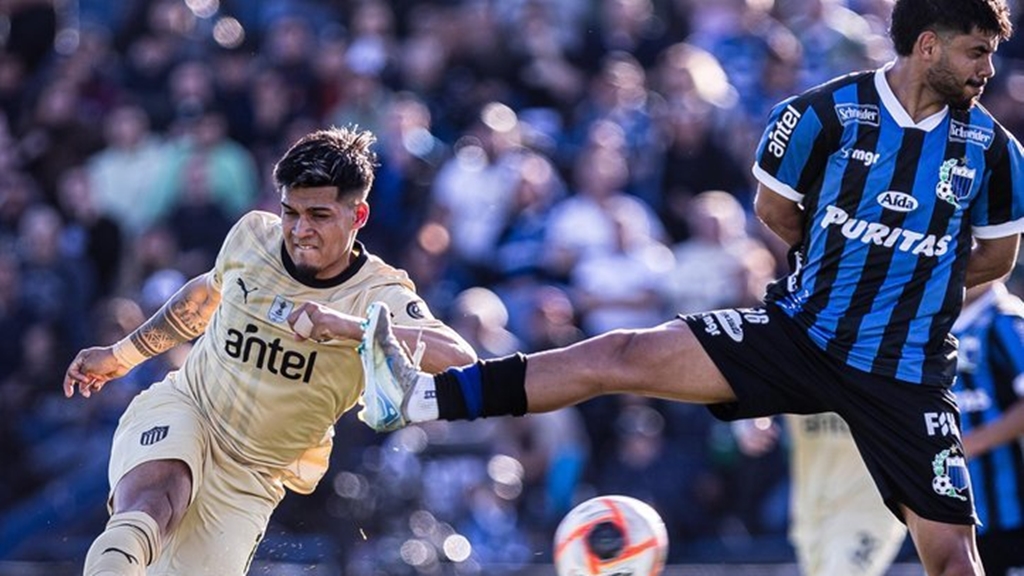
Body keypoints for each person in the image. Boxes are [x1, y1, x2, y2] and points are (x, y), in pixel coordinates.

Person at [356, 0, 1024, 573]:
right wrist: (841, 264)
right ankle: (419, 398)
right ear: (929, 44)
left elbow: (996, 257)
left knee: (953, 560)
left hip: (901, 374)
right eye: (977, 52)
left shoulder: (995, 151)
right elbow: (774, 212)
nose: (987, 70)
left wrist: (909, 283)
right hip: (799, 334)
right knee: (618, 354)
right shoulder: (822, 116)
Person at [62, 126, 476, 576]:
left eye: (319, 215)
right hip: (189, 407)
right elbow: (203, 297)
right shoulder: (252, 238)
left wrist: (350, 328)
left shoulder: (380, 293)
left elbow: (460, 358)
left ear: (358, 216)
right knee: (154, 499)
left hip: (252, 477)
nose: (300, 230)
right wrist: (121, 356)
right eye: (291, 212)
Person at [733, 414, 908, 575]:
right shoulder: (801, 379)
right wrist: (746, 424)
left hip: (871, 510)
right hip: (812, 514)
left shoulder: (879, 381)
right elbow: (751, 389)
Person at [951, 279, 1024, 575]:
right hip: (958, 515)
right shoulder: (933, 324)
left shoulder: (1005, 319)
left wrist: (967, 446)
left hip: (1012, 514)